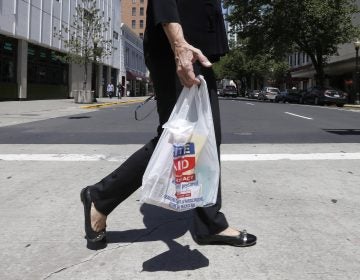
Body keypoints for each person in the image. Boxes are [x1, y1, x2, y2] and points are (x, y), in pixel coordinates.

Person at [81, 0, 257, 248]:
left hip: (195, 48)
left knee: (202, 138)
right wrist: (179, 46)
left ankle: (208, 221)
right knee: (178, 138)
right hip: (178, 47)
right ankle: (100, 197)